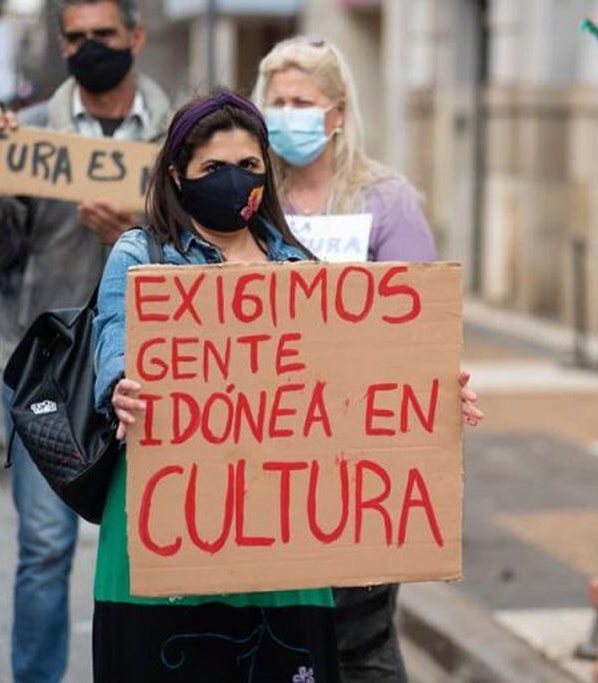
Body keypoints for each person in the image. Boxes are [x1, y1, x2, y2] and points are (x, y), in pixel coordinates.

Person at [93, 88, 485, 682]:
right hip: (168, 541)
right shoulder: (140, 255)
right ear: (177, 175)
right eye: (213, 169)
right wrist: (122, 386)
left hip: (280, 551)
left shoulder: (300, 272)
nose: (234, 181)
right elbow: (114, 344)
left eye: (249, 167)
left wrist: (432, 393)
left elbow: (357, 384)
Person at [0, 1, 171, 681]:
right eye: (74, 37)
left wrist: (134, 241)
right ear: (60, 44)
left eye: (102, 35)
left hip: (148, 372)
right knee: (45, 546)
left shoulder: (178, 138)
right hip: (50, 375)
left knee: (153, 544)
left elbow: (210, 254)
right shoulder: (30, 136)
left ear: (134, 37)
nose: (88, 47)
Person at [252, 36, 441, 681]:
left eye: (301, 101)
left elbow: (423, 328)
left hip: (358, 460)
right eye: (275, 101)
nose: (286, 114)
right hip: (264, 450)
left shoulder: (385, 201)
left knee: (358, 637)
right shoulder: (248, 199)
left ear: (337, 113)